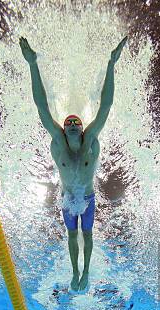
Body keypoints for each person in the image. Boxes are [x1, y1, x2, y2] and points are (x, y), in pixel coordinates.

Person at [19, 36, 127, 291]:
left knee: (87, 235)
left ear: (82, 127)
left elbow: (106, 105)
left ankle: (86, 271)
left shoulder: (91, 140)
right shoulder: (58, 143)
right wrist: (32, 64)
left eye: (76, 122)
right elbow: (41, 106)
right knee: (71, 235)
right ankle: (75, 271)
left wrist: (112, 63)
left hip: (88, 198)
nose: (71, 124)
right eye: (68, 122)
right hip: (67, 199)